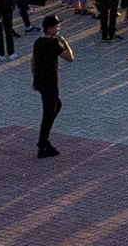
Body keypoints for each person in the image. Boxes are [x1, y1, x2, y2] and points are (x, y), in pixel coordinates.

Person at [31, 15, 74, 158]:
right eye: (56, 27)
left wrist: (35, 79)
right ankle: (42, 145)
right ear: (49, 29)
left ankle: (44, 139)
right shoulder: (54, 44)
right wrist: (65, 42)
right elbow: (70, 58)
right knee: (48, 112)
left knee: (56, 105)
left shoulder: (38, 42)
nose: (58, 29)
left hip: (41, 81)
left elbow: (33, 61)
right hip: (50, 82)